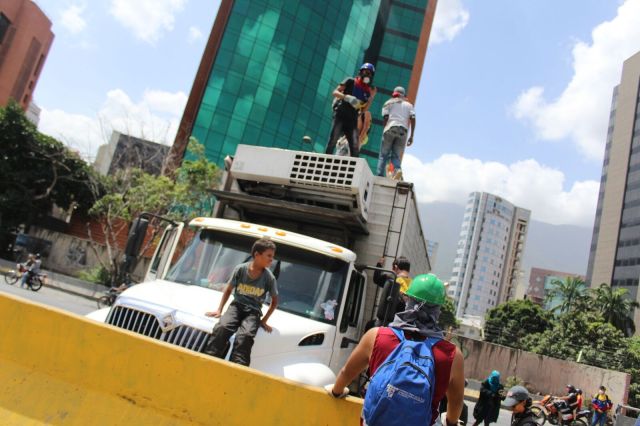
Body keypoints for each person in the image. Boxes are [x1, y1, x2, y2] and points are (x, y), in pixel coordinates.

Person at [325, 273, 465, 426]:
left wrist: (337, 391)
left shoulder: (377, 336)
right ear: (438, 310)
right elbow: (456, 401)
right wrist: (450, 421)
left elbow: (347, 372)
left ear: (409, 301)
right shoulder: (452, 355)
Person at [203, 238, 279, 366]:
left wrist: (264, 320)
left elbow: (275, 301)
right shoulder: (240, 269)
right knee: (222, 327)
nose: (272, 259)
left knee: (245, 336)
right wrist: (219, 310)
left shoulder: (269, 277)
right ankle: (209, 360)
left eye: (273, 256)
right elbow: (228, 290)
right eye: (269, 256)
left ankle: (238, 368)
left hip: (253, 312)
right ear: (257, 254)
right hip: (236, 307)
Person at [325, 63, 377, 157]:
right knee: (333, 139)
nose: (367, 75)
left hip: (352, 118)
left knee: (355, 146)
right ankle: (324, 163)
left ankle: (352, 169)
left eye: (370, 74)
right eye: (366, 72)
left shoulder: (366, 92)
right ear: (361, 72)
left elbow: (363, 111)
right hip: (341, 114)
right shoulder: (350, 81)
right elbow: (335, 92)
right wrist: (346, 97)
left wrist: (371, 99)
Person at [376, 86, 415, 180]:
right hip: (403, 131)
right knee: (396, 156)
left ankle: (379, 176)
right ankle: (397, 170)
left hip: (390, 128)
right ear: (404, 95)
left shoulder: (388, 103)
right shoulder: (409, 105)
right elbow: (413, 118)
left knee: (383, 155)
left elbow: (385, 118)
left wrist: (385, 129)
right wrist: (411, 135)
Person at [369, 256, 412, 327]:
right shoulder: (413, 284)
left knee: (369, 325)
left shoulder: (391, 279)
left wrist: (379, 264)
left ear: (395, 267)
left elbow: (376, 279)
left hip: (387, 322)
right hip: (403, 325)